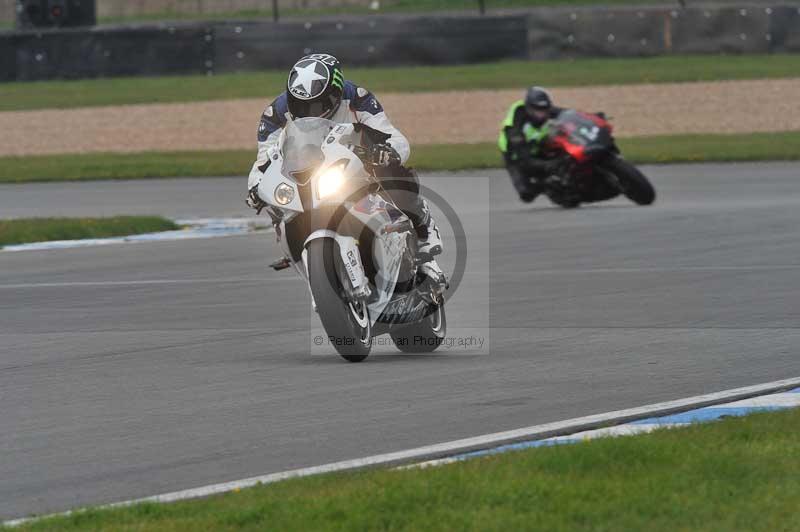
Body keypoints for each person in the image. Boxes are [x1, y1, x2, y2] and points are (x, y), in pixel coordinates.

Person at [246, 53, 442, 258]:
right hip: (306, 173)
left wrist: (387, 150)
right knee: (279, 208)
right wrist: (255, 187)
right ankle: (297, 254)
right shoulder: (275, 114)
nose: (308, 112)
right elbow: (264, 161)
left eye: (316, 105)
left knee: (390, 168)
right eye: (300, 105)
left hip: (353, 167)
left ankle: (424, 227)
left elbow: (395, 138)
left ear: (335, 94)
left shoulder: (358, 98)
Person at [498, 86, 565, 203]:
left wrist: (591, 117)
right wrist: (549, 165)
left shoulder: (547, 110)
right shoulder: (518, 116)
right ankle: (545, 186)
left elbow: (567, 113)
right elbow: (526, 160)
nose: (542, 114)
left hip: (537, 144)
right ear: (529, 107)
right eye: (537, 110)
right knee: (526, 194)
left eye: (544, 109)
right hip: (515, 154)